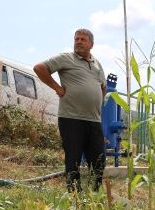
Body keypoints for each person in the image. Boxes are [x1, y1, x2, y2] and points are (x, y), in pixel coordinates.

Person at [34, 28, 106, 192]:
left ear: (91, 44)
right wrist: (57, 88)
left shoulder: (97, 64)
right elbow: (39, 68)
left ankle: (94, 197)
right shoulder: (66, 58)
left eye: (82, 39)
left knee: (99, 162)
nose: (78, 42)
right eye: (76, 39)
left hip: (94, 120)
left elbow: (103, 86)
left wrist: (98, 103)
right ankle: (75, 197)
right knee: (73, 160)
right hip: (71, 118)